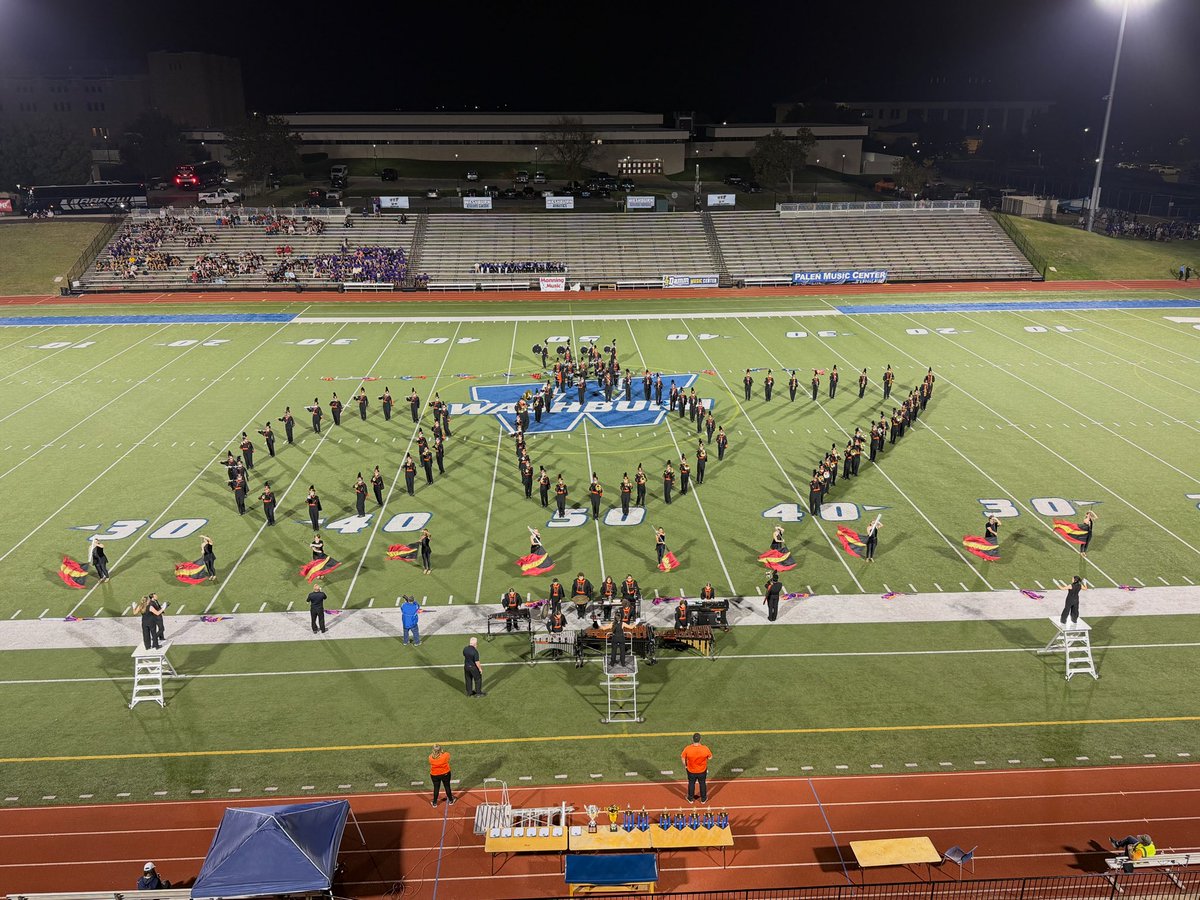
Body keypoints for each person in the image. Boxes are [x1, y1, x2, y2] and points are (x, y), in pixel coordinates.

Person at [681, 733, 713, 804]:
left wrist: (686, 765)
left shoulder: (688, 748)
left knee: (691, 783)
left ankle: (690, 798)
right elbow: (710, 757)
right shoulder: (705, 748)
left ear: (692, 739)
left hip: (691, 771)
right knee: (702, 783)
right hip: (702, 770)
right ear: (700, 739)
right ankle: (703, 799)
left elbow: (683, 757)